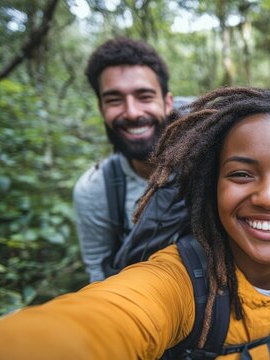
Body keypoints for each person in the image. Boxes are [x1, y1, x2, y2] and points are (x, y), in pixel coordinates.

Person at [0, 87, 270, 359]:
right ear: (210, 185)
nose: (268, 197)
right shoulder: (181, 283)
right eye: (241, 174)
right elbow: (96, 323)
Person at [74, 37, 175, 282]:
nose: (132, 112)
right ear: (101, 108)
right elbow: (100, 275)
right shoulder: (96, 189)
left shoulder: (216, 157)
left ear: (168, 102)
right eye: (114, 100)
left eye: (145, 96)